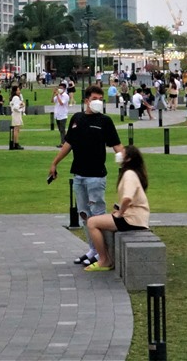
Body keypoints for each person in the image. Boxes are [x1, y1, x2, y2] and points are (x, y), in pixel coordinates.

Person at [48, 85, 125, 268]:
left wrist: (128, 163)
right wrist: (55, 163)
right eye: (95, 98)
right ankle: (92, 249)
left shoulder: (105, 121)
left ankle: (102, 254)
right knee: (84, 214)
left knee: (97, 215)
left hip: (96, 176)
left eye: (100, 98)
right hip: (79, 175)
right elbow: (69, 143)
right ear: (86, 101)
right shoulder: (77, 119)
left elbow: (117, 145)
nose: (98, 102)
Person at [84, 145, 150, 272]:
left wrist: (120, 213)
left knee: (92, 222)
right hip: (135, 217)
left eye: (123, 153)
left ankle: (104, 260)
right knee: (100, 220)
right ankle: (105, 257)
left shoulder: (129, 174)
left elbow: (127, 198)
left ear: (129, 159)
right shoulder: (131, 173)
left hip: (132, 220)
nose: (119, 154)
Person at [52, 84, 70, 148]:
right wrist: (53, 94)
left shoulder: (66, 96)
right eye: (59, 88)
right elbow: (52, 101)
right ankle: (64, 142)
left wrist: (57, 95)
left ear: (64, 89)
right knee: (60, 130)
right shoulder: (58, 95)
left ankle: (63, 143)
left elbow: (61, 103)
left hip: (63, 115)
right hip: (57, 114)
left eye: (61, 88)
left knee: (62, 129)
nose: (60, 89)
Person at [9, 85, 25, 150]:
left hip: (16, 114)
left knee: (17, 129)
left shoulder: (15, 97)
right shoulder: (16, 98)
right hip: (16, 114)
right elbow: (15, 107)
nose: (19, 91)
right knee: (16, 129)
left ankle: (15, 143)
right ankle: (16, 143)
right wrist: (21, 106)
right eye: (18, 90)